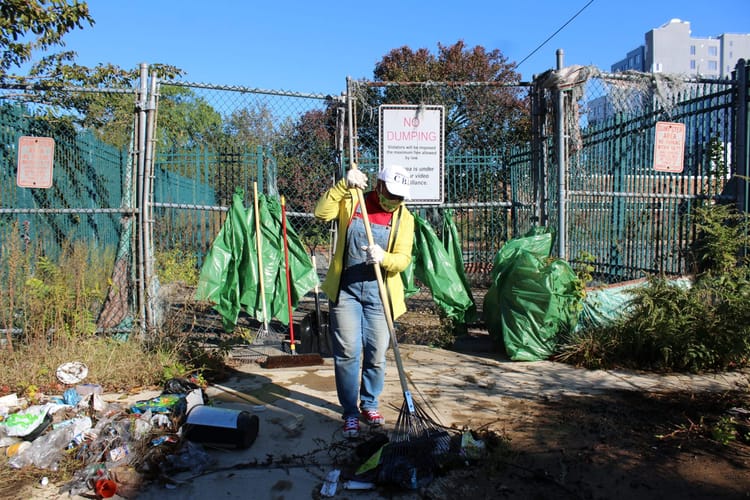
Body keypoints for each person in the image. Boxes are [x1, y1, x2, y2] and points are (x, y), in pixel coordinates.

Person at [314, 163, 414, 438]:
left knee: (376, 353)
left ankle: (369, 404)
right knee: (347, 353)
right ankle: (349, 412)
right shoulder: (353, 200)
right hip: (347, 290)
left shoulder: (405, 218)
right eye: (390, 194)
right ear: (379, 186)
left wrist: (385, 258)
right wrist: (342, 186)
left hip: (380, 293)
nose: (394, 201)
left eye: (399, 197)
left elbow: (403, 259)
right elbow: (321, 213)